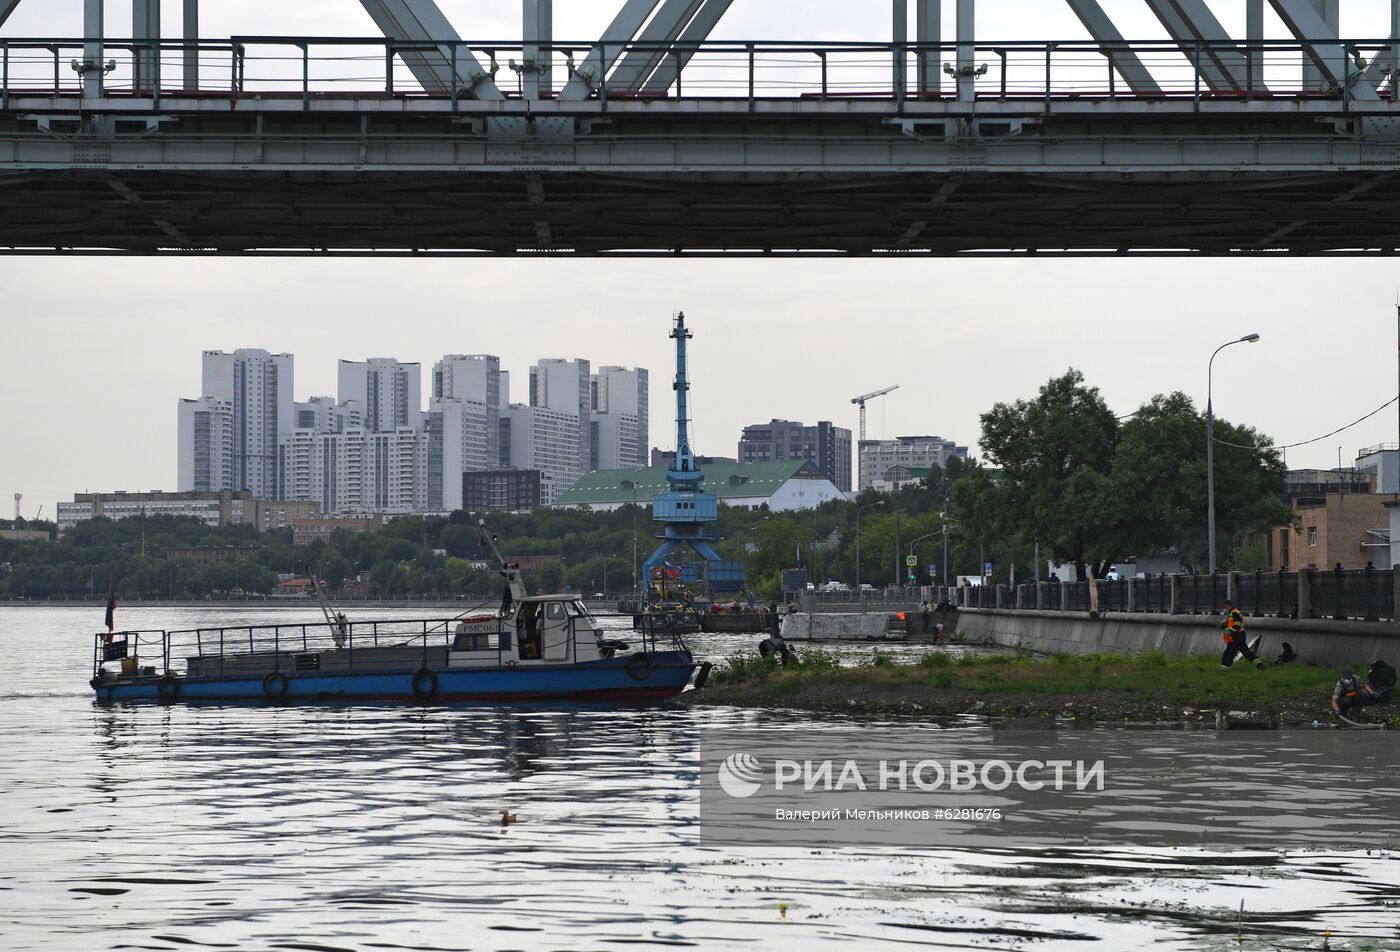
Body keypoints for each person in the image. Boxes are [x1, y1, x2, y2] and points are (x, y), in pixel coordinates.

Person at [1218, 599, 1264, 670]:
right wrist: (1223, 625)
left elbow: (1238, 623)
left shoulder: (1234, 613)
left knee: (1228, 653)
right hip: (1239, 636)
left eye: (1225, 607)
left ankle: (1223, 669)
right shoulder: (1234, 612)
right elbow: (1232, 624)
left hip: (1235, 637)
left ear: (1228, 605)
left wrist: (1232, 631)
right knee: (1246, 652)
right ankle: (1259, 664)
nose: (1225, 608)